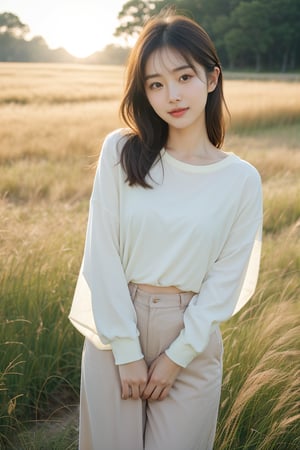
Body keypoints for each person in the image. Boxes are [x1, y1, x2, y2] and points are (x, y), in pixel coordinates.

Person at [69, 11, 263, 450]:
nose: (172, 95)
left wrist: (176, 357)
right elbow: (101, 251)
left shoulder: (241, 179)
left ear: (212, 79)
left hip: (190, 337)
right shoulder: (121, 151)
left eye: (183, 77)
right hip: (117, 321)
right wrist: (126, 349)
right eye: (155, 84)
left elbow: (227, 280)